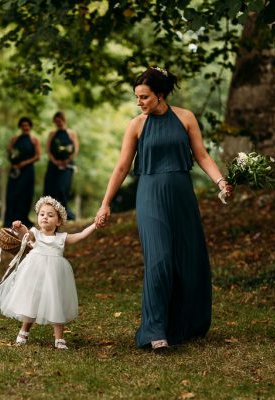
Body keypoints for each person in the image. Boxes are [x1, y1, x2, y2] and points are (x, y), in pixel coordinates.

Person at [95, 67, 233, 352]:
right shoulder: (137, 125)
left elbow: (202, 154)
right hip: (150, 196)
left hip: (182, 194)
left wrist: (220, 181)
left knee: (188, 259)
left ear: (160, 95)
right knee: (159, 260)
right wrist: (105, 203)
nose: (139, 102)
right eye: (137, 97)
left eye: (144, 97)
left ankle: (184, 325)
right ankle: (154, 331)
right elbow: (121, 167)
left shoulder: (186, 118)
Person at [0, 196, 97, 349]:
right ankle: (24, 331)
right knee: (31, 300)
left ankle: (59, 338)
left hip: (55, 274)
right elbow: (26, 232)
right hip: (35, 273)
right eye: (42, 214)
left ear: (59, 221)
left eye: (50, 215)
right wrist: (19, 226)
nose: (45, 217)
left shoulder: (62, 238)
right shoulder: (36, 233)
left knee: (56, 301)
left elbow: (80, 235)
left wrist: (95, 225)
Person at [3, 117, 40, 227]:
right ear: (20, 127)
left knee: (25, 194)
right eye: (23, 125)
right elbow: (10, 153)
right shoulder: (14, 139)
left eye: (27, 125)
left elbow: (37, 156)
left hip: (28, 170)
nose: (25, 127)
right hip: (15, 169)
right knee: (12, 194)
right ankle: (10, 219)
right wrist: (14, 163)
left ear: (30, 126)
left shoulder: (34, 140)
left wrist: (24, 163)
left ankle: (23, 219)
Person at [43, 111, 79, 220]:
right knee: (51, 188)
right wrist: (54, 161)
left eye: (60, 121)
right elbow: (48, 150)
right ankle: (51, 213)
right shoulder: (52, 134)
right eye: (56, 122)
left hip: (67, 165)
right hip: (54, 165)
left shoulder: (71, 133)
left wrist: (68, 160)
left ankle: (65, 212)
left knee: (63, 188)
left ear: (64, 120)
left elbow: (75, 149)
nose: (58, 123)